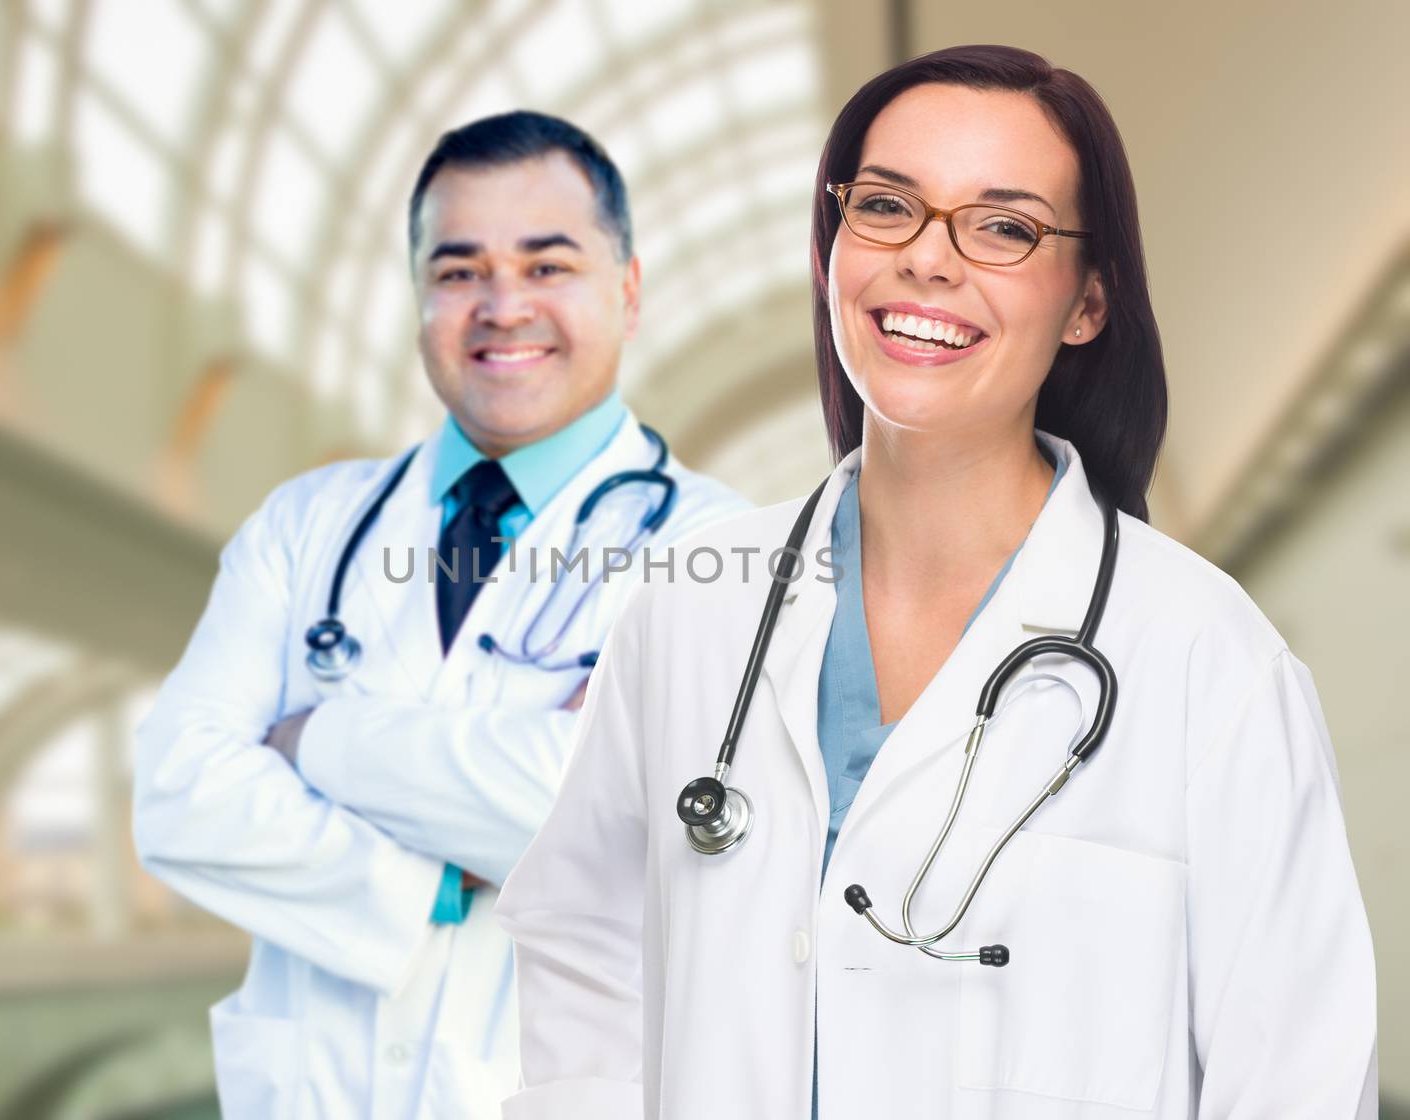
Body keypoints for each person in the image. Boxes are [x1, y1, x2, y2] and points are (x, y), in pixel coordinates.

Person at [493, 46, 1378, 1119]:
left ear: (1087, 301)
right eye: (886, 206)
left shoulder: (1205, 655)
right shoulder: (688, 606)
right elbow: (582, 944)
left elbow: (1296, 1076)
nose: (926, 258)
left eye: (1002, 227)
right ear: (833, 249)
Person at [132, 110, 747, 1119]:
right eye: (459, 272)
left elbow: (639, 828)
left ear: (627, 292)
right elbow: (176, 789)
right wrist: (442, 875)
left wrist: (313, 740)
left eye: (548, 266)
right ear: (419, 296)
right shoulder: (305, 528)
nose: (502, 307)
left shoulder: (727, 552)